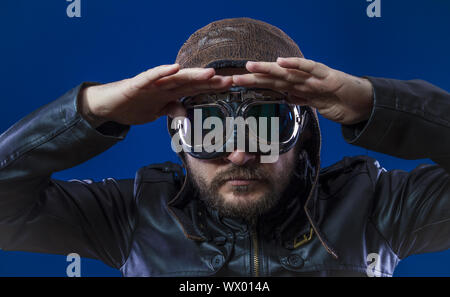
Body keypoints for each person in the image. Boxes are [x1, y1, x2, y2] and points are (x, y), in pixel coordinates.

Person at [0, 17, 449, 277]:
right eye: (210, 127)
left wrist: (371, 102)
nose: (238, 154)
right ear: (178, 136)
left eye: (265, 125)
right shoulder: (132, 215)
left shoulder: (375, 207)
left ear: (304, 133)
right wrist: (95, 108)